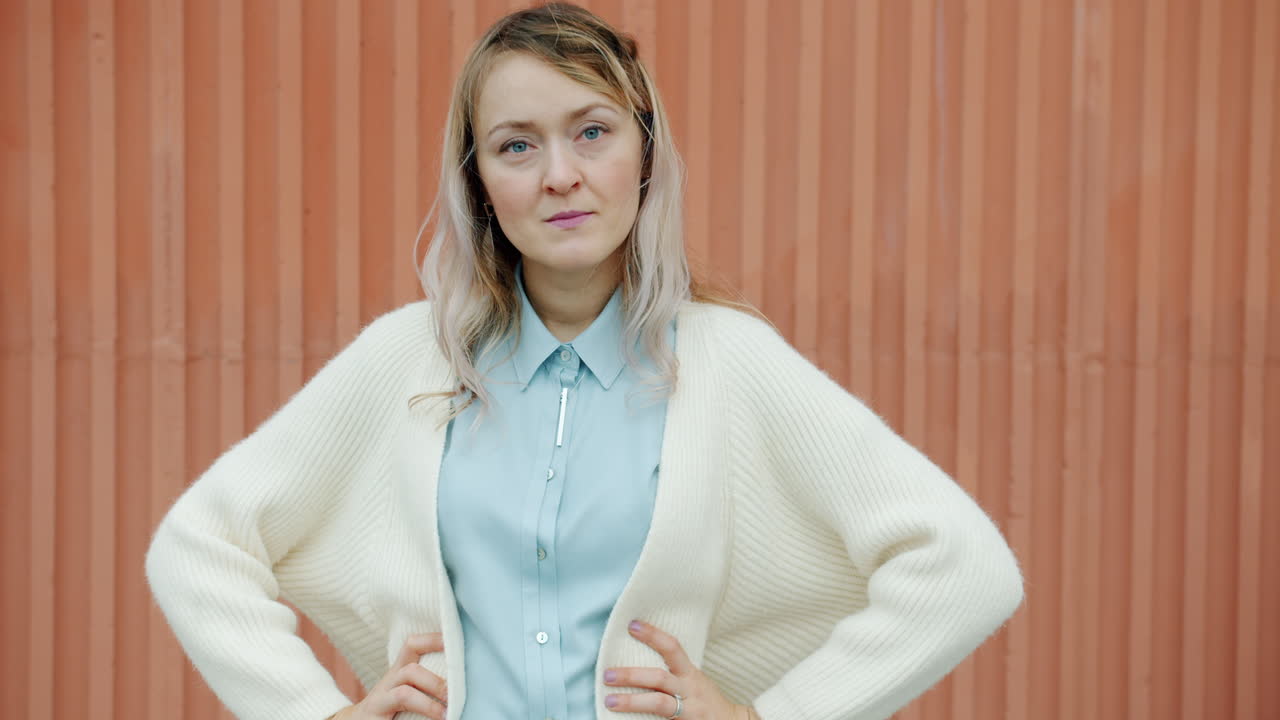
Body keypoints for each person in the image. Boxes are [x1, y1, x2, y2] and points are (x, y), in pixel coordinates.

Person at [145, 4, 1024, 720]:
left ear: (644, 152)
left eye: (593, 131)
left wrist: (773, 715)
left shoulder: (728, 362)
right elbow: (197, 547)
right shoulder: (409, 360)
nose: (560, 175)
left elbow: (964, 569)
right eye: (516, 145)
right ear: (480, 183)